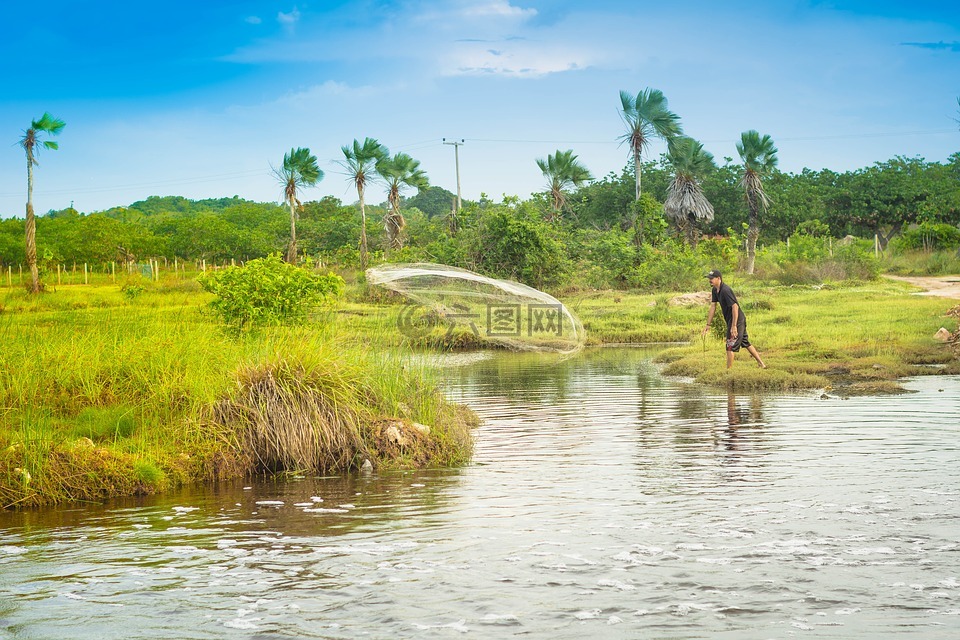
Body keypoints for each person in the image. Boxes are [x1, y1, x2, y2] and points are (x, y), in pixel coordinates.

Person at [701, 269, 767, 370]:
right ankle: (762, 364)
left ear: (719, 278)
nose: (710, 280)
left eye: (711, 278)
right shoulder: (715, 289)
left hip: (737, 320)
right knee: (745, 342)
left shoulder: (725, 290)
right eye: (709, 279)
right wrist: (708, 325)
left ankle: (729, 371)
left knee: (730, 346)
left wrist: (734, 325)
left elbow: (735, 307)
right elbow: (713, 306)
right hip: (731, 320)